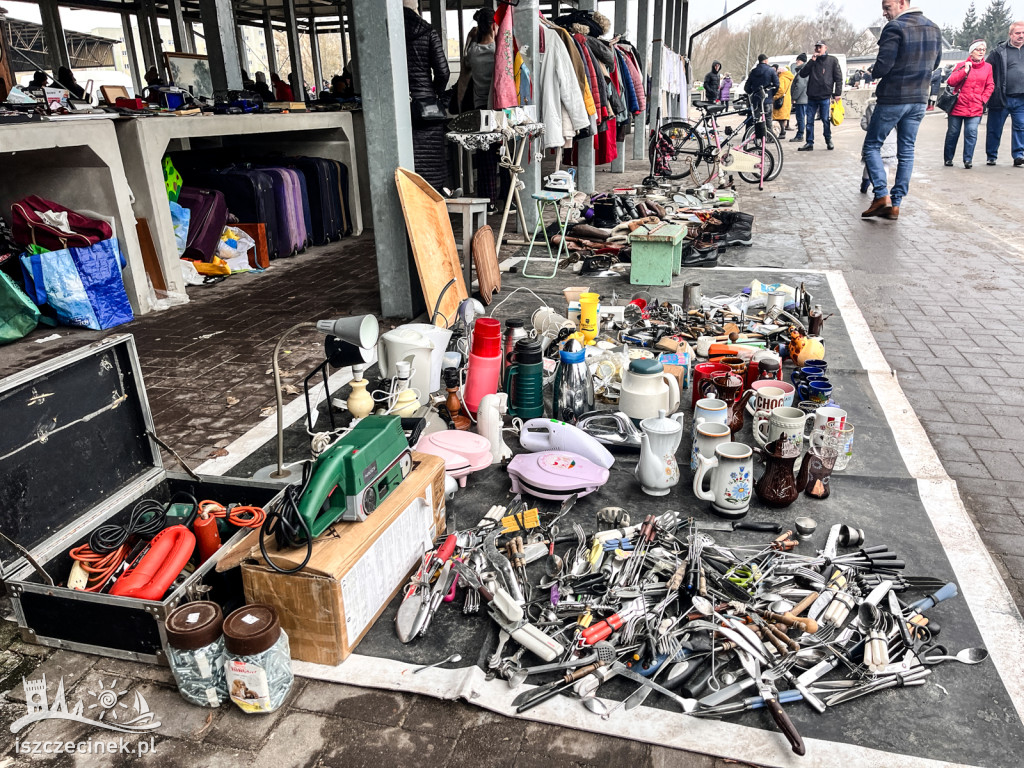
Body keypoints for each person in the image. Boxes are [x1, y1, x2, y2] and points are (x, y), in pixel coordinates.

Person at [861, 0, 942, 221]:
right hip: (919, 98)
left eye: (887, 7)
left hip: (894, 97)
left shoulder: (895, 27)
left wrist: (873, 71)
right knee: (906, 150)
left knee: (871, 146)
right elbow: (935, 64)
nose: (884, 13)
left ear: (902, 3)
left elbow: (884, 65)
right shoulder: (933, 27)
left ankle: (881, 196)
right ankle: (895, 205)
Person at [404, 0, 451, 192]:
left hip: (398, 106)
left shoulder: (386, 32)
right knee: (431, 165)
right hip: (426, 108)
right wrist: (435, 94)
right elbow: (443, 72)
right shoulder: (427, 31)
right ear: (416, 7)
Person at [944, 39, 994, 169]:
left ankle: (968, 159)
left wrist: (983, 99)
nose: (981, 52)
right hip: (957, 105)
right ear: (971, 52)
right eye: (978, 49)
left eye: (983, 50)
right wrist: (964, 71)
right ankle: (948, 158)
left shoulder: (988, 67)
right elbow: (951, 82)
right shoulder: (961, 65)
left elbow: (990, 85)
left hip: (975, 106)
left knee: (971, 132)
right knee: (953, 133)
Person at [985, 20, 1024, 167]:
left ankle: (1019, 155)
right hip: (1001, 97)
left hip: (1021, 98)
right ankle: (991, 155)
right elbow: (987, 70)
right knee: (995, 128)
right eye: (1018, 33)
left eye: (1023, 33)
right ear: (1010, 34)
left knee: (1021, 127)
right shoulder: (998, 52)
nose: (1021, 36)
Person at [796, 41, 844, 151]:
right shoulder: (813, 61)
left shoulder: (832, 60)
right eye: (816, 47)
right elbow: (803, 74)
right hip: (812, 95)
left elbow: (838, 78)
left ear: (825, 48)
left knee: (825, 119)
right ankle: (809, 142)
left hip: (825, 95)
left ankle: (828, 139)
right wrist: (811, 61)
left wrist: (837, 93)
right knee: (809, 121)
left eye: (820, 47)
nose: (817, 49)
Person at [860, 97, 897, 192]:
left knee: (869, 164)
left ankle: (865, 185)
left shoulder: (871, 106)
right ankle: (883, 188)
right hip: (890, 141)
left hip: (874, 139)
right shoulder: (896, 106)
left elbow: (865, 125)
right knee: (885, 165)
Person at [743, 54, 779, 124]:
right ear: (765, 61)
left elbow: (746, 87)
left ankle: (749, 133)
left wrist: (753, 93)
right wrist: (771, 94)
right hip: (767, 99)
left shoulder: (753, 72)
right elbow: (777, 85)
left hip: (755, 100)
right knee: (767, 119)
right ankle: (767, 134)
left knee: (753, 119)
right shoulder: (771, 71)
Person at [772, 63, 794, 138]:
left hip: (781, 100)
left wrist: (774, 97)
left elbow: (780, 90)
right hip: (786, 99)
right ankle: (782, 131)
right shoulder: (788, 77)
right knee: (782, 117)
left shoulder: (782, 78)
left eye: (778, 71)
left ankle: (782, 132)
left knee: (779, 117)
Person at [790, 54, 809, 143]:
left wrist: (794, 97)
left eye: (798, 60)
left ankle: (800, 135)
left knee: (800, 118)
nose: (796, 62)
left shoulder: (802, 71)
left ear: (802, 61)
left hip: (801, 99)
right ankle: (802, 134)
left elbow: (800, 85)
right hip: (805, 98)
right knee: (802, 118)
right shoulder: (805, 70)